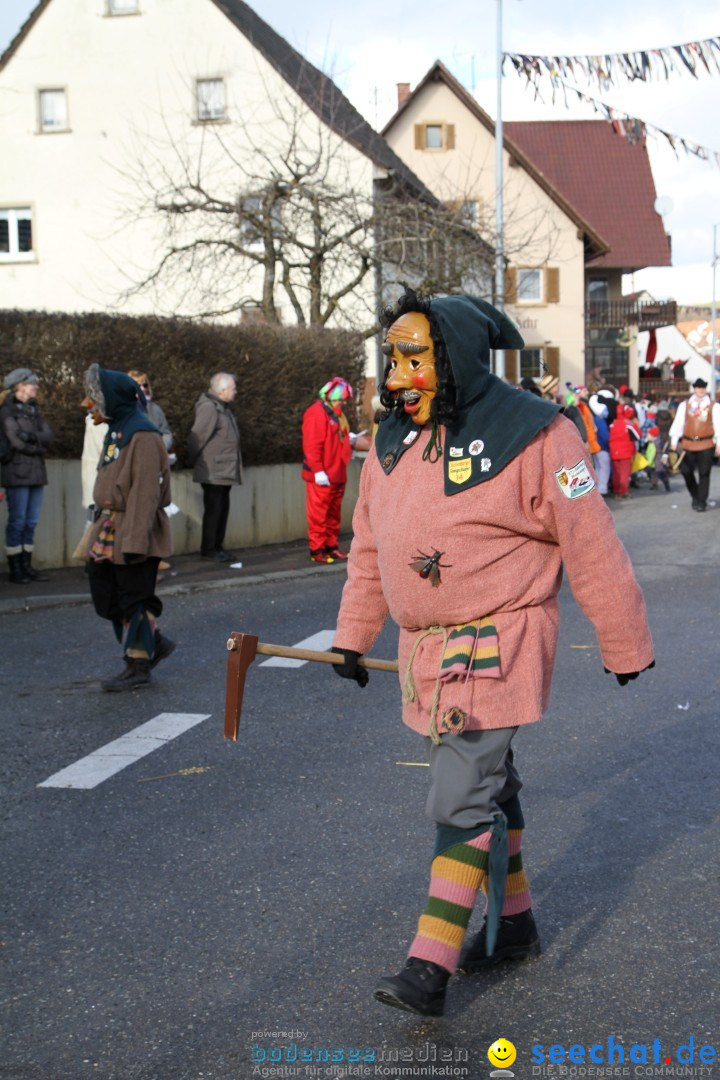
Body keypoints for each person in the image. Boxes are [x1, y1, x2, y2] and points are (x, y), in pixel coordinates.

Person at [330, 290, 654, 1018]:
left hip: (497, 641)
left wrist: (622, 639)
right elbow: (370, 548)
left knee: (460, 792)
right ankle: (514, 924)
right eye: (393, 358)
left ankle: (430, 965)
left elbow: (591, 541)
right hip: (425, 649)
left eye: (415, 359)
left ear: (455, 359)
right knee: (491, 784)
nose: (397, 376)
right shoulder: (391, 442)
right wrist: (354, 635)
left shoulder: (542, 435)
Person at [82, 365, 175, 691]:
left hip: (134, 530)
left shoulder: (144, 435)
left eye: (97, 397)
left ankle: (138, 666)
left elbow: (146, 494)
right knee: (107, 597)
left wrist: (134, 541)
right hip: (111, 526)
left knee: (134, 599)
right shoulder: (118, 429)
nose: (92, 404)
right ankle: (156, 642)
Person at [0, 367, 53, 584]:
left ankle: (27, 566)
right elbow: (15, 441)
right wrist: (38, 446)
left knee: (31, 522)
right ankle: (16, 569)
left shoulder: (34, 411)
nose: (37, 387)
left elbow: (49, 435)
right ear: (20, 386)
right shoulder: (6, 411)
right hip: (16, 473)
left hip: (36, 473)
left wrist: (32, 438)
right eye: (33, 383)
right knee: (18, 521)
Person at [301, 377, 359, 563]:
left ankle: (330, 547)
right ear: (331, 397)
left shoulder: (335, 414)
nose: (343, 402)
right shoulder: (316, 413)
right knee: (318, 514)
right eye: (341, 399)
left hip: (336, 473)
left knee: (333, 514)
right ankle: (317, 550)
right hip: (323, 475)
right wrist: (318, 470)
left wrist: (347, 439)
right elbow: (312, 445)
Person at [187, 373, 243, 562]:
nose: (235, 391)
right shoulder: (210, 408)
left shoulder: (222, 408)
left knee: (221, 509)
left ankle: (217, 547)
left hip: (223, 470)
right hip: (213, 470)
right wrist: (194, 461)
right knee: (214, 510)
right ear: (222, 390)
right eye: (233, 388)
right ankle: (209, 549)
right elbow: (197, 438)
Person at [667, 378, 720, 512]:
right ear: (694, 389)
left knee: (704, 473)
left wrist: (719, 444)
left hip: (706, 443)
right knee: (686, 471)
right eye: (698, 387)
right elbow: (678, 424)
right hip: (688, 443)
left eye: (703, 387)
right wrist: (674, 442)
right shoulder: (685, 405)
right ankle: (695, 495)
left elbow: (718, 426)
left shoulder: (714, 406)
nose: (701, 390)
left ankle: (701, 501)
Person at [609, 405, 640, 499]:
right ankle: (623, 492)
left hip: (614, 451)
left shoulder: (612, 424)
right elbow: (638, 436)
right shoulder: (628, 424)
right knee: (624, 473)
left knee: (616, 473)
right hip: (625, 452)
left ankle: (616, 491)